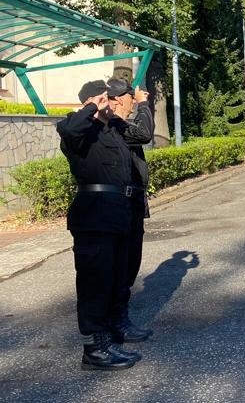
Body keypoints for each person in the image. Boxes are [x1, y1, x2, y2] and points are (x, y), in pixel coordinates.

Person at [57, 80, 153, 370]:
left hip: (118, 214)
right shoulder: (75, 131)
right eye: (103, 99)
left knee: (114, 278)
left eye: (108, 99)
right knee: (94, 283)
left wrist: (118, 112)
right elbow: (71, 129)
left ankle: (110, 337)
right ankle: (94, 349)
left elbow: (140, 137)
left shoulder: (110, 130)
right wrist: (91, 107)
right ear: (90, 101)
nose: (108, 103)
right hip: (94, 216)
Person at [104, 79, 154, 346]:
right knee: (122, 264)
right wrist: (145, 104)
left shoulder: (121, 123)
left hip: (134, 200)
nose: (133, 99)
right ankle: (117, 323)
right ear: (117, 99)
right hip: (121, 204)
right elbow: (146, 133)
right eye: (129, 96)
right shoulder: (113, 124)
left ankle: (120, 319)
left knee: (131, 261)